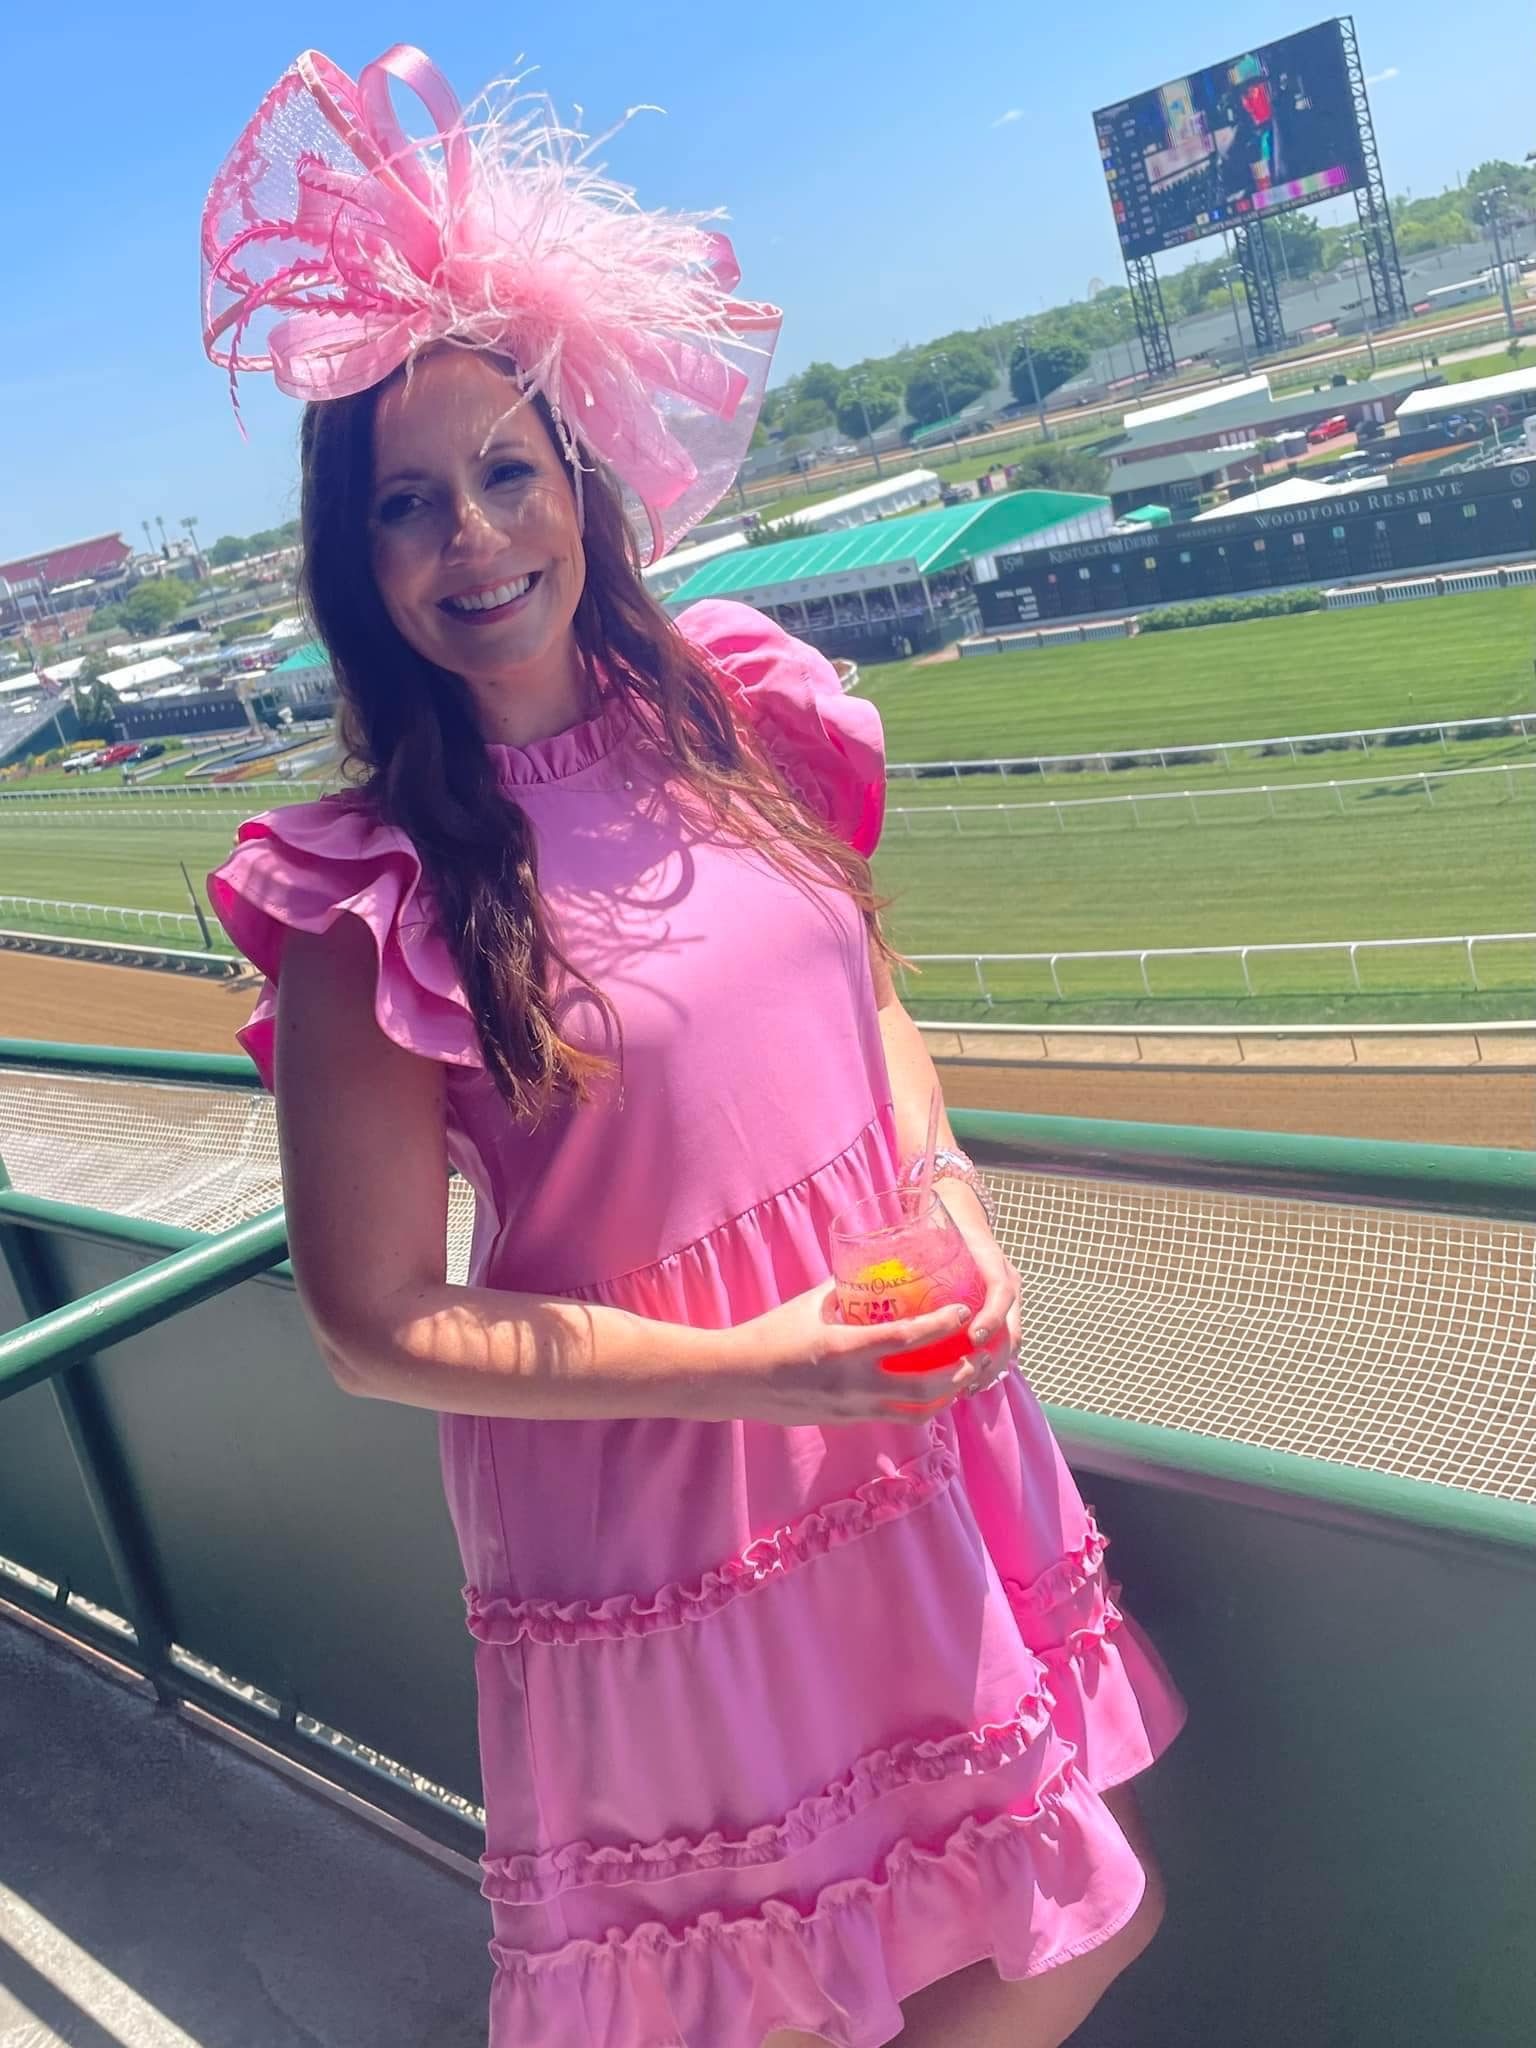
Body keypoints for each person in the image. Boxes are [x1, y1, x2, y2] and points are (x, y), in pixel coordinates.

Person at [202, 43, 1183, 2048]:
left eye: (503, 472)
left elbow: (864, 990)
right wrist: (775, 1361)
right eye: (407, 503)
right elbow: (375, 1320)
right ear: (356, 564)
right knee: (802, 2001)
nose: (471, 541)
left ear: (579, 481)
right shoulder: (362, 890)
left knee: (1057, 1909)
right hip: (664, 1509)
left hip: (895, 1425)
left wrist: (947, 1190)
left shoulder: (735, 706)